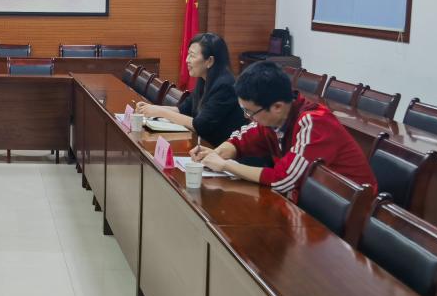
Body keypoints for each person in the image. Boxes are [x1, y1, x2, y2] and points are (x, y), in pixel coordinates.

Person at [190, 60, 377, 202]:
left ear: (277, 107)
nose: (248, 117)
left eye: (250, 112)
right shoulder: (273, 117)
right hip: (311, 204)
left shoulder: (314, 122)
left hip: (348, 213)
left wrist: (225, 165)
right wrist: (218, 153)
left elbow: (284, 179)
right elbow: (243, 139)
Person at [135, 32, 245, 147]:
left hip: (219, 149)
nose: (187, 60)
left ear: (210, 61)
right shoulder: (204, 79)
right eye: (188, 54)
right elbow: (183, 109)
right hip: (204, 145)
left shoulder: (225, 86)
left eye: (192, 55)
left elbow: (200, 126)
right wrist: (151, 108)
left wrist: (160, 112)